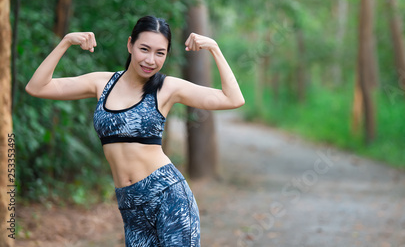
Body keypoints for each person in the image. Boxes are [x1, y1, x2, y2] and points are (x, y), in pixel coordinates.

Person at [25, 15, 245, 247]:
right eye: (144, 49)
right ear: (130, 45)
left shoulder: (167, 88)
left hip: (168, 197)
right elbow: (37, 86)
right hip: (130, 206)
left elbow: (233, 98)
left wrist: (214, 48)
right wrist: (66, 42)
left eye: (160, 53)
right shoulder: (102, 83)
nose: (150, 60)